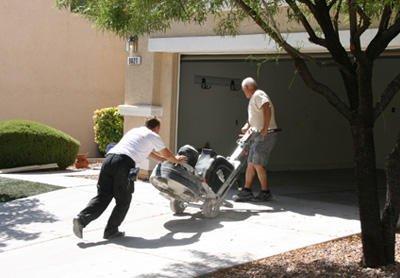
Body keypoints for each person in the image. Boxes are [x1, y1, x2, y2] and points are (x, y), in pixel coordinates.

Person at [73, 118, 187, 239]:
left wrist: (165, 161)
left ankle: (81, 219)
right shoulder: (153, 135)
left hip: (108, 160)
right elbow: (167, 153)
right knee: (123, 199)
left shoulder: (135, 132)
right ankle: (111, 231)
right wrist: (176, 160)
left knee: (103, 196)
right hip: (123, 164)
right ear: (157, 128)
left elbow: (150, 153)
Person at [233, 77, 279, 202]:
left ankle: (265, 192)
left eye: (244, 90)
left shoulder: (258, 95)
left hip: (266, 135)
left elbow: (266, 107)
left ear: (247, 88)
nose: (244, 93)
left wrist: (264, 128)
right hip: (258, 135)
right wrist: (247, 126)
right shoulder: (254, 98)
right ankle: (247, 191)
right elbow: (255, 117)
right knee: (251, 164)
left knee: (258, 164)